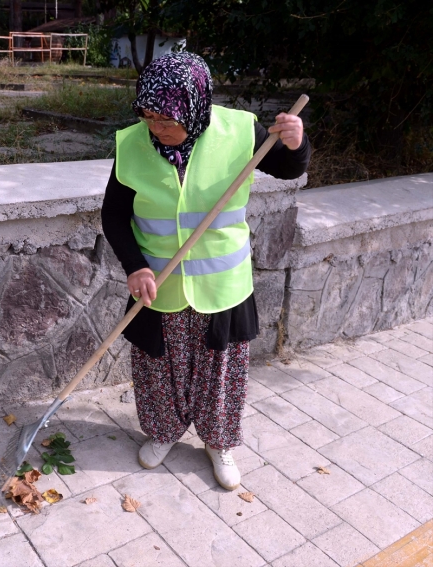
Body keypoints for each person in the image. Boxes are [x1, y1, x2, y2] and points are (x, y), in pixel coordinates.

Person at [101, 52, 310, 490]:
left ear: (193, 109)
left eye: (166, 119)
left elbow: (290, 167)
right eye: (149, 115)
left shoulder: (239, 131)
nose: (156, 127)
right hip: (161, 283)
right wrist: (135, 267)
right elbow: (115, 216)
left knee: (220, 369)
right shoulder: (132, 145)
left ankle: (219, 442)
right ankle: (163, 432)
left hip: (221, 282)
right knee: (158, 367)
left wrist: (296, 141)